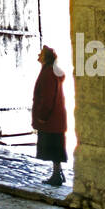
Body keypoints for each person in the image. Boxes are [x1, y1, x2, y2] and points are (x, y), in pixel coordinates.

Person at [31, 44, 67, 186]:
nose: (38, 56)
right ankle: (57, 173)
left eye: (41, 54)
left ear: (46, 57)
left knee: (53, 148)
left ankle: (56, 175)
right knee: (56, 148)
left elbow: (47, 97)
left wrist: (42, 116)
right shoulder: (53, 72)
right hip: (56, 118)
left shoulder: (48, 74)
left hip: (51, 119)